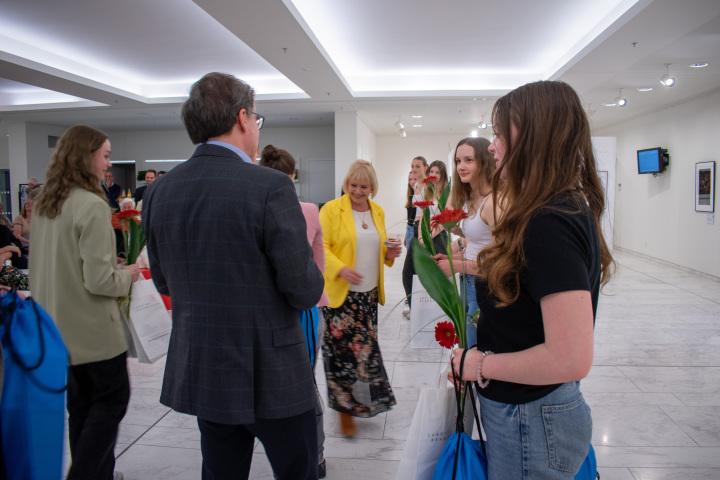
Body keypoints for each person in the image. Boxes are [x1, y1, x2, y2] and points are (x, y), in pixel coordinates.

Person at [142, 72, 324, 480]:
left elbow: (165, 282)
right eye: (257, 120)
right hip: (272, 371)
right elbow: (304, 289)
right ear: (243, 118)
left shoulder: (160, 191)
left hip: (206, 365)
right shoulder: (271, 186)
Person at [450, 80, 615, 479]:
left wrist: (479, 363)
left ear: (533, 134)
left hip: (531, 419)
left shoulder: (549, 221)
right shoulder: (554, 208)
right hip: (531, 415)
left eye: (499, 133)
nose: (492, 146)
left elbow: (570, 357)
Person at [30, 125, 141, 480]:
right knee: (111, 403)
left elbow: (59, 267)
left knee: (79, 409)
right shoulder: (92, 205)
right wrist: (132, 273)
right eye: (105, 156)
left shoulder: (46, 202)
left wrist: (113, 267)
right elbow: (100, 281)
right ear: (85, 156)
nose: (108, 165)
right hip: (94, 332)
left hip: (56, 330)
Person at [259, 143, 330, 478]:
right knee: (306, 387)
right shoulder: (308, 210)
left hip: (265, 315)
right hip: (304, 312)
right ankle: (314, 455)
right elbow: (317, 269)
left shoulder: (253, 206)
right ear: (292, 177)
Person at [319, 159, 401, 437]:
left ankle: (360, 401)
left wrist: (389, 255)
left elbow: (379, 246)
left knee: (366, 353)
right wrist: (341, 268)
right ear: (346, 184)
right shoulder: (332, 210)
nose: (357, 190)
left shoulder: (376, 211)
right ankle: (344, 409)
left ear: (372, 188)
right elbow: (322, 248)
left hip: (368, 296)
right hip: (342, 297)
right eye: (353, 185)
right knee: (341, 354)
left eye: (363, 186)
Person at [434, 138, 496, 348]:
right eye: (458, 161)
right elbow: (478, 243)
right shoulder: (474, 199)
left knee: (475, 346)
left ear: (485, 162)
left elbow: (499, 261)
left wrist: (457, 265)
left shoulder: (493, 202)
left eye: (468, 160)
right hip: (470, 280)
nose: (461, 166)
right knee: (467, 344)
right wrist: (453, 258)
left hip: (485, 283)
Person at [401, 156, 428, 316]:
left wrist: (422, 235)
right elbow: (416, 214)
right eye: (412, 166)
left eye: (418, 166)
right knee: (409, 272)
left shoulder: (428, 186)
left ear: (425, 167)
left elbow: (427, 212)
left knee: (411, 272)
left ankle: (417, 310)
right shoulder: (417, 185)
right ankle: (415, 308)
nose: (414, 169)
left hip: (424, 232)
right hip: (416, 231)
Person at [13, 187, 38, 254]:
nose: (27, 205)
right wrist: (29, 242)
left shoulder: (38, 219)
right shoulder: (19, 218)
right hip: (24, 244)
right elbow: (17, 235)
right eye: (26, 204)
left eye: (30, 204)